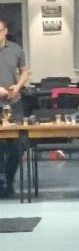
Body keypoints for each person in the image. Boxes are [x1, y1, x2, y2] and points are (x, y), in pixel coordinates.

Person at [0, 18, 30, 198]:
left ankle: (9, 179)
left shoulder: (16, 49)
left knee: (19, 143)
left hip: (14, 102)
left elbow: (25, 70)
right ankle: (1, 181)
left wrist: (18, 86)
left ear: (5, 31)